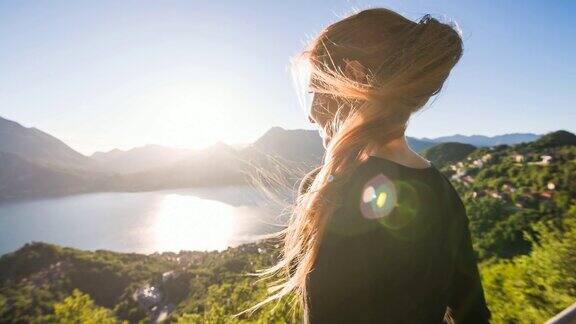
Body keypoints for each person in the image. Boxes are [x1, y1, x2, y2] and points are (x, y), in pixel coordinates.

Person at [244, 8, 491, 323]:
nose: (311, 114)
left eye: (317, 91)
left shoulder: (330, 189)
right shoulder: (445, 195)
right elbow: (473, 315)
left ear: (356, 78)